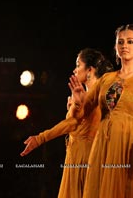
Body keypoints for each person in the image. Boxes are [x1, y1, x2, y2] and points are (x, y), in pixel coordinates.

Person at [67, 24, 133, 198]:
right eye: (120, 42)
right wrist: (78, 104)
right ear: (115, 47)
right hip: (104, 147)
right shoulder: (107, 79)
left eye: (130, 42)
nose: (125, 46)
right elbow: (81, 115)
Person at [20, 48, 114, 198]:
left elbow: (73, 123)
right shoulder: (83, 94)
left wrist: (40, 138)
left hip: (86, 159)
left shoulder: (97, 96)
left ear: (90, 70)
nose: (74, 69)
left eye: (78, 65)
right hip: (75, 156)